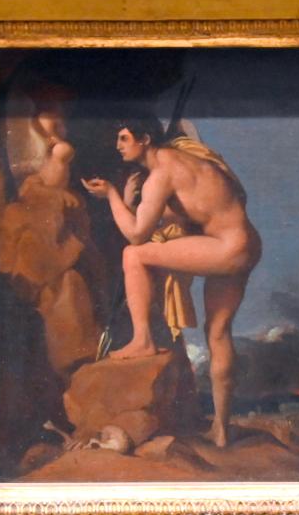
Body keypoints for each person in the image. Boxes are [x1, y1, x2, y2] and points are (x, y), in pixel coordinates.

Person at [81, 116, 261, 447]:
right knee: (217, 333)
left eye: (124, 138)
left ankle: (143, 340)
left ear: (145, 139)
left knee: (133, 256)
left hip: (224, 248)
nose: (118, 146)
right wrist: (131, 202)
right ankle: (221, 429)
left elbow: (137, 235)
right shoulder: (184, 161)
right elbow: (176, 213)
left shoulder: (161, 174)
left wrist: (112, 196)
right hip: (245, 244)